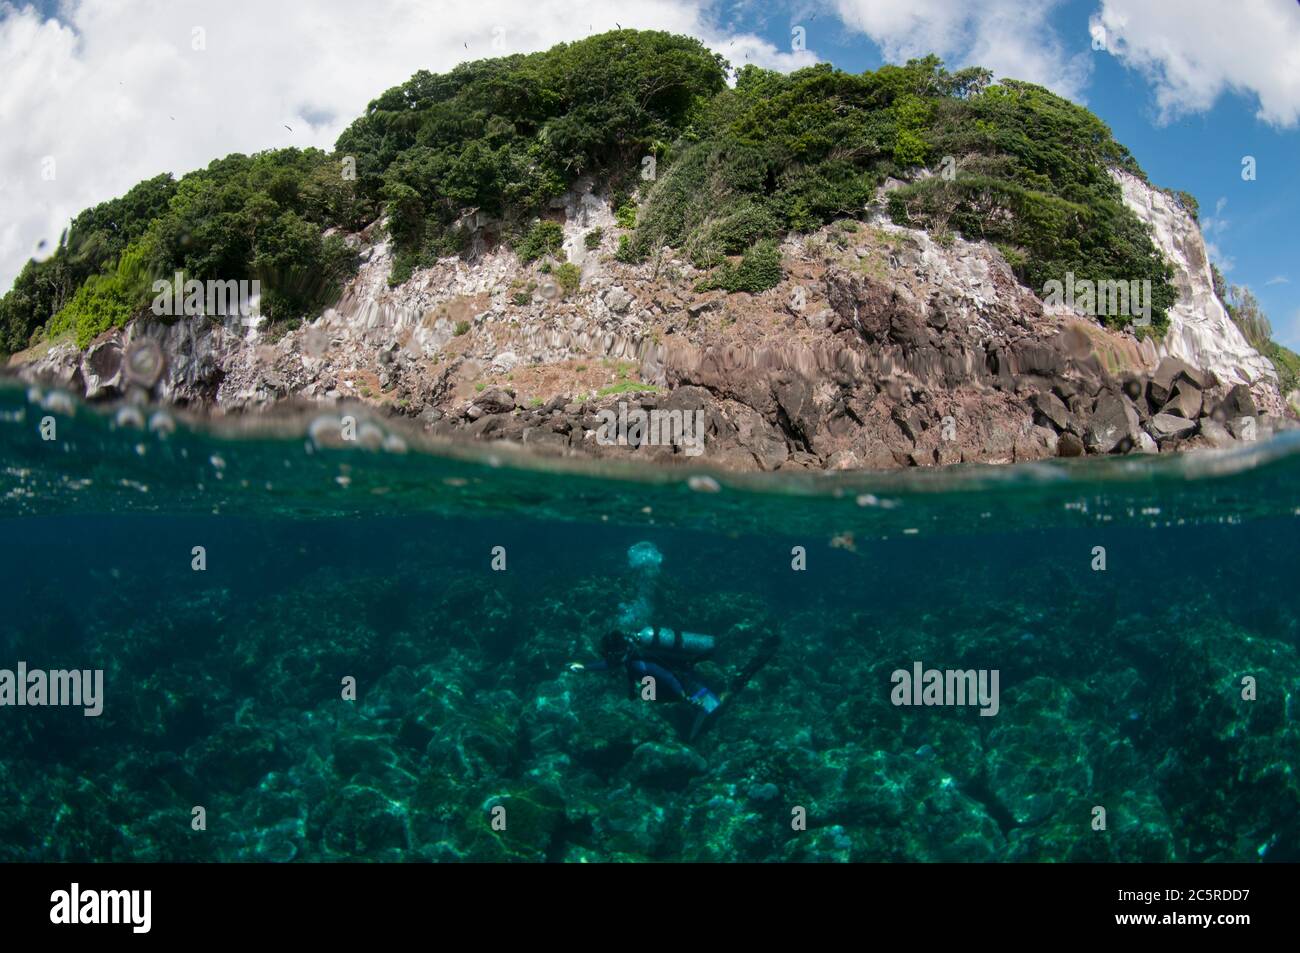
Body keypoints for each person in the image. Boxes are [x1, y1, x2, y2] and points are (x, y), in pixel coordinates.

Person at [567, 625, 780, 741]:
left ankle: (739, 680)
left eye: (611, 655)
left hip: (685, 681)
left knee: (717, 708)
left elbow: (666, 677)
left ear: (619, 651)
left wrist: (684, 698)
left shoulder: (639, 665)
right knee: (656, 697)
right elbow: (609, 664)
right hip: (679, 676)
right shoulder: (630, 651)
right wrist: (585, 668)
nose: (610, 659)